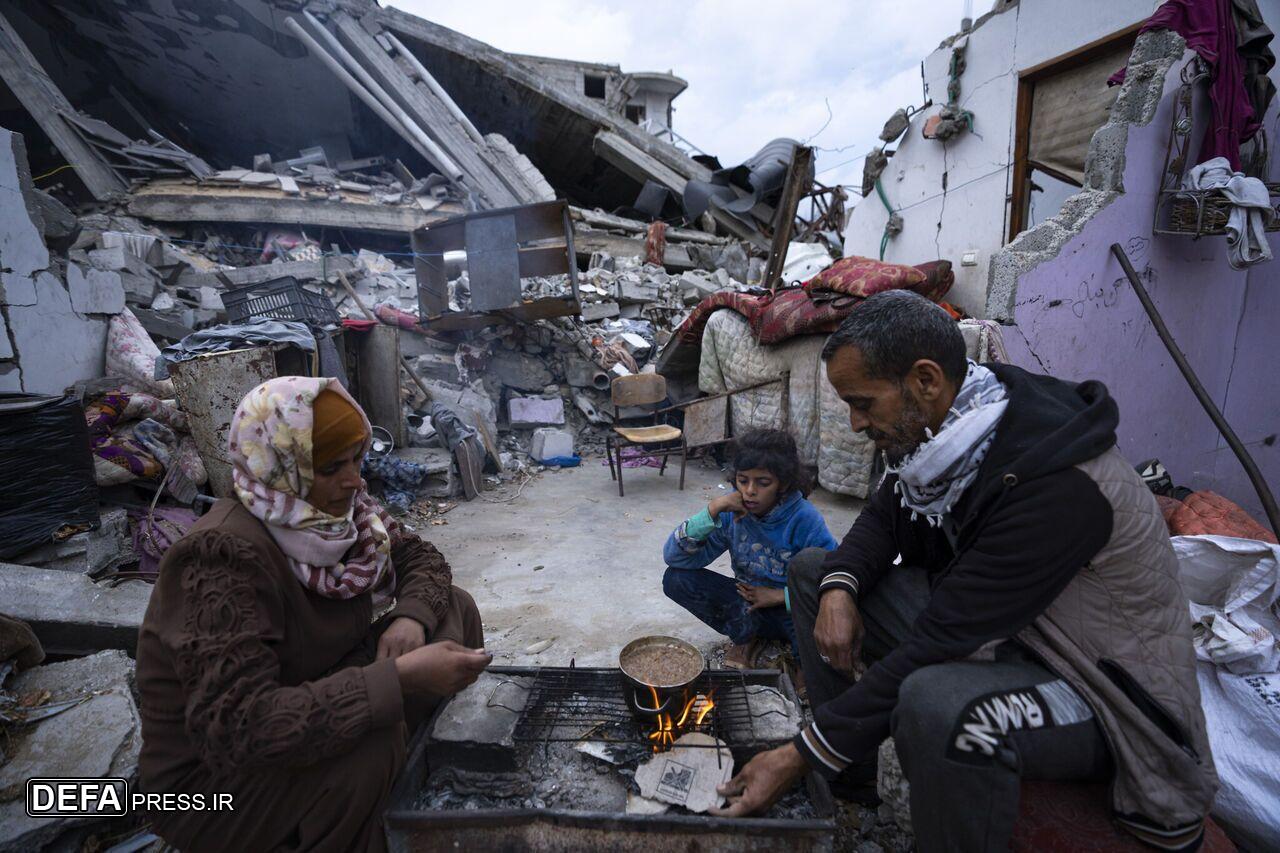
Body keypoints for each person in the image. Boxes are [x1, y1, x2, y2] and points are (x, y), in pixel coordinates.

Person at [712, 291, 1217, 852]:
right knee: (814, 572)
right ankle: (851, 775)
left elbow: (941, 639)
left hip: (1096, 687)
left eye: (861, 403)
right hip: (1010, 631)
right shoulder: (947, 431)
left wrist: (797, 753)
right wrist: (837, 588)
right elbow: (884, 516)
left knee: (936, 703)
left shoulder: (1056, 485)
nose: (855, 424)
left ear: (925, 380)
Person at [136, 377, 491, 853]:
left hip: (314, 690)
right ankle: (352, 823)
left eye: (356, 459)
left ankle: (395, 789)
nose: (355, 480)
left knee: (453, 606)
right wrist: (398, 680)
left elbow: (421, 559)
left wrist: (411, 618)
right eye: (331, 467)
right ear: (281, 465)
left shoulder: (341, 515)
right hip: (211, 786)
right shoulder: (219, 557)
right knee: (371, 743)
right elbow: (241, 727)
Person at [662, 428, 837, 669]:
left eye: (762, 483)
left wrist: (780, 596)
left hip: (795, 611)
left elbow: (834, 580)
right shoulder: (732, 512)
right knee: (676, 580)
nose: (749, 491)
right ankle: (747, 636)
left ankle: (800, 661)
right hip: (749, 605)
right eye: (743, 481)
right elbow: (675, 558)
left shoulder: (804, 519)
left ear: (783, 484)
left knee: (819, 639)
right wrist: (712, 511)